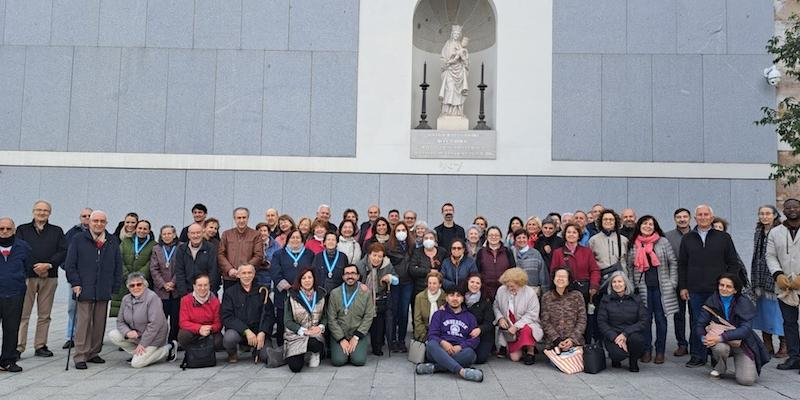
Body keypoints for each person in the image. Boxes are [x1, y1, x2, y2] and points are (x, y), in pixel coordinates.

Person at [679, 205, 744, 368]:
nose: (703, 217)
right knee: (697, 322)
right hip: (695, 289)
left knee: (717, 322)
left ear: (712, 217)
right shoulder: (687, 238)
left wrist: (730, 284)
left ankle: (716, 356)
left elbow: (733, 263)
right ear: (695, 218)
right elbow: (682, 265)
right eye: (699, 215)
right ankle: (697, 355)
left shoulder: (724, 237)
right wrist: (683, 287)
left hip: (718, 290)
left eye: (706, 214)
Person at [65, 210, 123, 369]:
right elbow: (70, 264)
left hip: (103, 288)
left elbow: (118, 265)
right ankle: (80, 355)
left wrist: (115, 286)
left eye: (102, 221)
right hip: (84, 288)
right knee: (83, 324)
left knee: (99, 323)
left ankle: (93, 352)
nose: (98, 224)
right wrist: (75, 282)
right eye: (95, 221)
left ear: (106, 223)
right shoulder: (78, 239)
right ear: (89, 222)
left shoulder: (112, 240)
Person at [15, 200, 67, 358]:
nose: (42, 213)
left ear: (49, 213)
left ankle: (40, 345)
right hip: (27, 277)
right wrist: (36, 267)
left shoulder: (57, 231)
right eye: (39, 210)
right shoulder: (22, 229)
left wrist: (48, 265)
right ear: (33, 211)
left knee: (45, 315)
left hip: (49, 277)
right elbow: (20, 250)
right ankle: (18, 347)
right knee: (23, 314)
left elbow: (63, 251)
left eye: (45, 210)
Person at [698, 273, 770, 384]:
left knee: (747, 380)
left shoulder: (743, 302)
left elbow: (745, 330)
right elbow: (700, 324)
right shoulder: (711, 300)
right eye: (721, 285)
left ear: (735, 290)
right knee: (720, 348)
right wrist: (703, 338)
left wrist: (721, 337)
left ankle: (740, 364)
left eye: (728, 286)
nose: (724, 289)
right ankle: (720, 367)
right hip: (721, 344)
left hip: (742, 344)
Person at [627, 215, 679, 364]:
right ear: (639, 226)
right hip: (643, 288)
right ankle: (647, 350)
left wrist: (672, 282)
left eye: (651, 224)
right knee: (645, 320)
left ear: (655, 227)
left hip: (661, 289)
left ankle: (660, 351)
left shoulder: (663, 242)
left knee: (661, 320)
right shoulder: (634, 243)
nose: (648, 226)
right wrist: (631, 285)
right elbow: (630, 266)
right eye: (645, 223)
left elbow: (673, 262)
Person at [415, 285, 484, 382]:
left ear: (462, 299)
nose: (455, 298)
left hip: (459, 352)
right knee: (431, 344)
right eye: (451, 295)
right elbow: (432, 335)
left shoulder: (470, 317)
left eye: (458, 296)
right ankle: (461, 371)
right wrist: (443, 342)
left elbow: (475, 339)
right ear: (446, 298)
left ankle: (436, 367)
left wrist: (460, 347)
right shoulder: (439, 314)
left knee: (470, 354)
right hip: (439, 349)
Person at [108, 272, 177, 368]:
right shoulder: (126, 299)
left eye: (139, 284)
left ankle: (167, 349)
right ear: (128, 287)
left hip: (154, 338)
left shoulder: (152, 298)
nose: (136, 287)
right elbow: (120, 321)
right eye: (132, 285)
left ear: (144, 285)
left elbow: (154, 325)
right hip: (137, 336)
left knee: (137, 364)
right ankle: (139, 354)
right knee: (113, 335)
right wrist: (127, 332)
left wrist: (143, 343)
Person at [767, 198, 800, 371]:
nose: (792, 210)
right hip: (785, 285)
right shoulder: (775, 232)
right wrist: (778, 274)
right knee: (789, 322)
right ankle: (794, 357)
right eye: (788, 208)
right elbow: (770, 256)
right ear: (783, 211)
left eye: (795, 207)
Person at [751, 205, 787, 358]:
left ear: (775, 215)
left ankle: (784, 344)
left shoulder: (781, 231)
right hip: (760, 277)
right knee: (763, 313)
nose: (764, 216)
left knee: (779, 314)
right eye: (761, 214)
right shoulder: (758, 232)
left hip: (775, 276)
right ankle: (767, 344)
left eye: (767, 213)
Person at [221, 264, 273, 363]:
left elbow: (269, 315)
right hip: (239, 332)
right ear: (238, 275)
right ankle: (232, 354)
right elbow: (227, 317)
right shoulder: (230, 292)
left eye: (249, 273)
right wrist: (246, 331)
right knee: (229, 338)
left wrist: (263, 332)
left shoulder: (262, 291)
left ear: (254, 274)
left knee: (266, 356)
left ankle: (256, 351)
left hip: (258, 332)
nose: (247, 276)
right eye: (243, 273)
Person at [272, 229, 315, 346]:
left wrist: (303, 286)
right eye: (292, 237)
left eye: (298, 237)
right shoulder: (278, 254)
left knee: (301, 322)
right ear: (288, 239)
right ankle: (281, 347)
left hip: (303, 294)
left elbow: (312, 272)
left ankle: (301, 347)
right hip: (284, 295)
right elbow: (275, 273)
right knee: (282, 322)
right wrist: (287, 287)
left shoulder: (309, 254)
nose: (295, 240)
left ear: (302, 240)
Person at [597, 271, 647, 372]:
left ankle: (633, 361)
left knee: (637, 340)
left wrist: (625, 334)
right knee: (618, 355)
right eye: (614, 282)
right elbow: (602, 322)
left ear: (625, 283)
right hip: (613, 335)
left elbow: (644, 320)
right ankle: (616, 359)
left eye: (620, 281)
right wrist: (615, 337)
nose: (617, 284)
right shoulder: (605, 300)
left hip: (631, 333)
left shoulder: (636, 299)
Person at [327, 264, 375, 367]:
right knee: (338, 361)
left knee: (359, 361)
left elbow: (368, 316)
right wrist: (341, 339)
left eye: (353, 273)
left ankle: (352, 352)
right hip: (340, 333)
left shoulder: (365, 293)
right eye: (347, 274)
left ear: (358, 276)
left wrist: (357, 336)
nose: (350, 276)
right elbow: (331, 318)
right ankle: (344, 351)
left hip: (357, 333)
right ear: (343, 277)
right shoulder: (335, 293)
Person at [493, 268, 543, 365]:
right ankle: (517, 346)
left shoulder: (530, 293)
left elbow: (532, 314)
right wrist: (500, 318)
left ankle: (530, 351)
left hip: (526, 324)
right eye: (507, 286)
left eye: (512, 286)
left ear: (520, 283)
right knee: (515, 358)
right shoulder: (501, 290)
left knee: (527, 329)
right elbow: (496, 305)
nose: (509, 288)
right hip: (509, 327)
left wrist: (517, 326)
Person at [356, 243, 398, 356]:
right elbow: (352, 280)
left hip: (379, 299)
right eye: (374, 255)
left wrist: (390, 278)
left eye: (380, 256)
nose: (377, 259)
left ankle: (377, 346)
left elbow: (397, 280)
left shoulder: (387, 265)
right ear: (369, 255)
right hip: (362, 298)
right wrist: (359, 284)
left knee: (378, 324)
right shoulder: (360, 265)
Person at [0, 217, 31, 372]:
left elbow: (28, 267)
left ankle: (8, 360)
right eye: (1, 229)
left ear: (14, 230)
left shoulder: (23, 247)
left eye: (8, 229)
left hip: (15, 294)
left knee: (11, 328)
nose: (5, 231)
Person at [283, 268, 326, 372]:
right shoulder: (292, 296)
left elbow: (325, 316)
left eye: (309, 277)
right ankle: (301, 353)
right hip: (296, 335)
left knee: (315, 343)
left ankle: (315, 353)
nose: (307, 280)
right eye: (304, 278)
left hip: (315, 334)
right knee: (295, 367)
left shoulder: (321, 294)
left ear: (314, 279)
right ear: (299, 280)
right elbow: (287, 321)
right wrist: (303, 331)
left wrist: (320, 327)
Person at [550, 223, 600, 308]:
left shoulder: (587, 252)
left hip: (584, 291)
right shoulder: (558, 253)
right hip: (564, 291)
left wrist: (594, 285)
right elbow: (553, 272)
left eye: (574, 232)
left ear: (578, 235)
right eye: (569, 232)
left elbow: (594, 270)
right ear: (565, 234)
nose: (571, 235)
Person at [62, 208, 92, 350]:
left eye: (89, 215)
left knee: (89, 308)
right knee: (72, 307)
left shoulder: (99, 232)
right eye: (84, 216)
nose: (87, 218)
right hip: (75, 277)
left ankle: (87, 336)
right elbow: (64, 252)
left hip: (92, 277)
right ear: (80, 218)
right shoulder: (72, 233)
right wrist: (68, 269)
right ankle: (71, 336)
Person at [112, 220, 154, 317]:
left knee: (140, 315)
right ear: (136, 229)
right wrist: (128, 276)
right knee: (123, 314)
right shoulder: (126, 242)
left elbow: (151, 263)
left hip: (142, 283)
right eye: (140, 228)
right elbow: (118, 259)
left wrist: (138, 278)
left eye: (145, 229)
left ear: (149, 231)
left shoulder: (153, 245)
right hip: (124, 282)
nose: (142, 231)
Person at [540, 266, 586, 354]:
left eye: (564, 277)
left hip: (575, 342)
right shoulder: (547, 297)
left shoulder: (577, 296)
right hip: (553, 343)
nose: (560, 279)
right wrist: (557, 340)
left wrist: (572, 339)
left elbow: (582, 320)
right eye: (558, 276)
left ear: (569, 280)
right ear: (553, 279)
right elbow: (545, 321)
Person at [665, 207, 691, 357]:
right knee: (678, 314)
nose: (682, 219)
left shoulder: (696, 235)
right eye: (679, 217)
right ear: (675, 219)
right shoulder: (667, 237)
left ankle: (697, 343)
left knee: (696, 315)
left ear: (690, 218)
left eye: (685, 217)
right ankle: (682, 344)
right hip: (675, 280)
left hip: (694, 280)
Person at [386, 222, 415, 353]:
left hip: (408, 282)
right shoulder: (389, 246)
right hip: (395, 282)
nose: (401, 232)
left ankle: (401, 340)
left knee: (404, 312)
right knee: (393, 311)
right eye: (398, 230)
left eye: (403, 230)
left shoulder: (412, 245)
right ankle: (392, 340)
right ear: (394, 232)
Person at [218, 207, 263, 290]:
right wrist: (229, 269)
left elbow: (259, 255)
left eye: (244, 217)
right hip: (230, 277)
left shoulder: (256, 235)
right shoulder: (226, 234)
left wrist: (245, 270)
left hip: (248, 278)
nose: (241, 220)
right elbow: (221, 254)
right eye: (239, 218)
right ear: (234, 218)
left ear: (248, 218)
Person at [149, 225, 180, 343]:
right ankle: (160, 341)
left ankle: (173, 341)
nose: (167, 236)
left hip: (176, 290)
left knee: (175, 319)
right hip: (161, 290)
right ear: (161, 236)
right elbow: (154, 269)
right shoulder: (156, 249)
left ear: (174, 234)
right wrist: (163, 284)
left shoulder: (181, 247)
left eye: (169, 233)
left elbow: (181, 267)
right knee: (161, 318)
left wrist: (173, 282)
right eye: (164, 234)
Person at [177, 274, 223, 353]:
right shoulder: (185, 300)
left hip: (209, 330)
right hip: (192, 330)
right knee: (183, 336)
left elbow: (218, 323)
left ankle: (207, 353)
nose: (202, 288)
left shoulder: (215, 301)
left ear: (209, 286)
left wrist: (210, 328)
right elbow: (183, 322)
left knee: (219, 342)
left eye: (205, 285)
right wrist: (199, 328)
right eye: (199, 285)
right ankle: (191, 352)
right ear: (194, 286)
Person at [409, 230, 448, 318]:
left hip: (438, 288)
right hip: (420, 288)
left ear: (435, 240)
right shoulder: (417, 252)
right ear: (422, 240)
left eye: (431, 238)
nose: (428, 240)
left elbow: (446, 267)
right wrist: (429, 271)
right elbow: (412, 269)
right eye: (426, 238)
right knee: (420, 313)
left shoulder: (442, 252)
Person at [174, 223, 219, 296]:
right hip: (187, 292)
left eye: (198, 233)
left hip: (206, 291)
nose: (195, 236)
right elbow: (180, 272)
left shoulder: (210, 248)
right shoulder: (181, 249)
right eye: (193, 233)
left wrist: (208, 292)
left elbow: (213, 271)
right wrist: (184, 293)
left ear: (203, 233)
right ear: (188, 235)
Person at [476, 226, 516, 299]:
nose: (494, 237)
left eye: (496, 235)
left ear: (500, 237)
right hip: (486, 292)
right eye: (491, 235)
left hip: (505, 290)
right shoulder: (481, 252)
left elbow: (513, 270)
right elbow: (477, 271)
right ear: (487, 237)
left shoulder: (507, 251)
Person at [438, 25, 470, 117]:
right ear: (452, 34)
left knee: (458, 93)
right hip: (449, 71)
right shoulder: (447, 44)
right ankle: (446, 111)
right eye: (455, 34)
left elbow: (466, 60)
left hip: (459, 72)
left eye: (458, 34)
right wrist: (448, 62)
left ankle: (458, 112)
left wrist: (463, 58)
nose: (456, 35)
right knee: (450, 90)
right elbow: (443, 58)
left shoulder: (461, 45)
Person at [463, 274, 495, 364]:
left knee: (480, 358)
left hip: (483, 334)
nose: (474, 285)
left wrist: (480, 329)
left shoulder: (486, 300)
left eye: (477, 283)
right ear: (467, 283)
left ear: (481, 285)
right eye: (472, 282)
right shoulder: (461, 298)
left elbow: (489, 323)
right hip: (465, 333)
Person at [512, 229, 548, 296]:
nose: (521, 240)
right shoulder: (511, 254)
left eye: (524, 237)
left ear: (528, 239)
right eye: (519, 238)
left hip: (533, 292)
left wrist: (545, 292)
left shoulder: (536, 254)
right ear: (515, 240)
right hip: (516, 292)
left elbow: (543, 273)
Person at [413, 271, 446, 345]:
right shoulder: (419, 297)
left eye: (434, 283)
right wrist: (425, 337)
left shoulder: (445, 298)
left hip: (441, 334)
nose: (431, 286)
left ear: (440, 285)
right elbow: (417, 320)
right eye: (429, 283)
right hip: (424, 334)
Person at [255, 222, 280, 288]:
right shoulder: (252, 244)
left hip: (270, 278)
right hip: (256, 278)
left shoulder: (276, 245)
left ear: (268, 233)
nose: (262, 233)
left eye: (265, 231)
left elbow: (279, 261)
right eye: (260, 231)